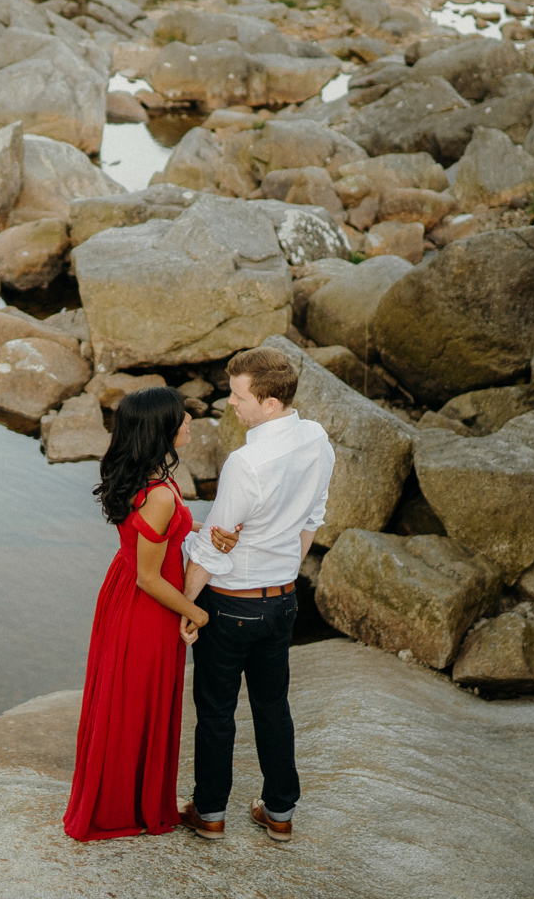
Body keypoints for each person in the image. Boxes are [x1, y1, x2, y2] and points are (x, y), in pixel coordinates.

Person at [176, 346, 334, 845]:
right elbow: (312, 519)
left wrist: (187, 604)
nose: (230, 404)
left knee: (217, 711)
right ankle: (280, 812)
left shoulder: (247, 462)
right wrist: (284, 564)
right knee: (272, 706)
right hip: (282, 601)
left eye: (239, 395)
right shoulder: (317, 439)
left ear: (269, 403)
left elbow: (215, 542)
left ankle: (211, 813)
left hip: (230, 604)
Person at [64, 387, 235, 841]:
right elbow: (150, 576)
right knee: (135, 702)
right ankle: (124, 808)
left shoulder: (148, 475)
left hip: (125, 592)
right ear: (160, 429)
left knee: (128, 699)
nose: (189, 424)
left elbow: (152, 531)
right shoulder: (159, 492)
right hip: (146, 604)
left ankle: (127, 798)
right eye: (182, 419)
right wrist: (196, 613)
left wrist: (199, 527)